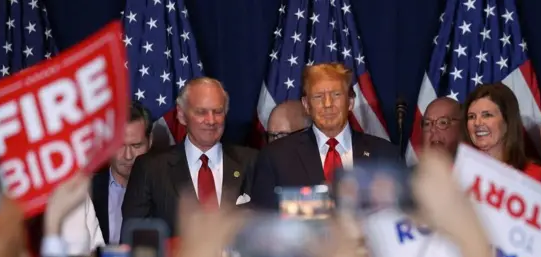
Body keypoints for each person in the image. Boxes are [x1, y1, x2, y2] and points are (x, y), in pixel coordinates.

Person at [251, 63, 401, 210]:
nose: (328, 104)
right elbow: (264, 224)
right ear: (306, 105)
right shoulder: (276, 157)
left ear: (350, 102)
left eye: (336, 95)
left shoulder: (385, 155)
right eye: (318, 96)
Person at [121, 77, 258, 235]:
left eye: (218, 112)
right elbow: (135, 237)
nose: (211, 120)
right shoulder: (151, 169)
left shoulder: (252, 162)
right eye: (201, 112)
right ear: (181, 114)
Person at [92, 102, 152, 246]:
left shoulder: (165, 191)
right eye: (120, 146)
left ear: (150, 142)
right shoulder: (88, 191)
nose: (128, 155)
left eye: (136, 146)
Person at [462, 83, 541, 183]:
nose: (477, 123)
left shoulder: (534, 176)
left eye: (487, 115)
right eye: (471, 117)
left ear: (507, 121)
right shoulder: (454, 171)